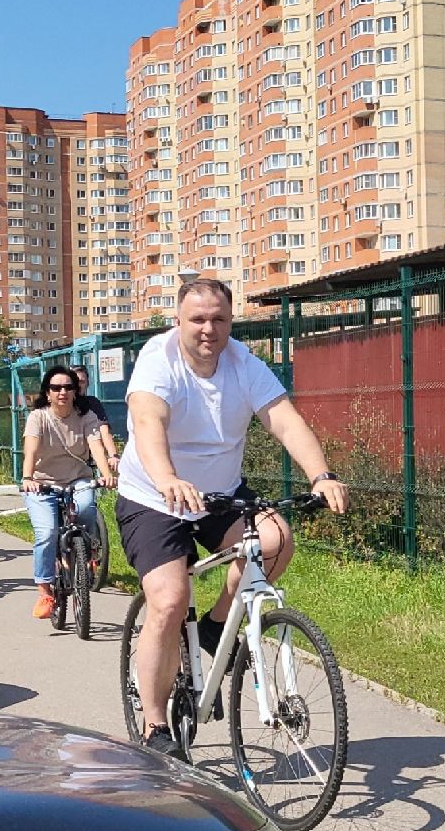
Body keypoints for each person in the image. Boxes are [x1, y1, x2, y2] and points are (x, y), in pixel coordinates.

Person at [116, 277, 349, 759]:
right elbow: (147, 422)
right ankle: (155, 726)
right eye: (198, 319)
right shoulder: (158, 361)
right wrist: (167, 478)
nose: (209, 329)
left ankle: (215, 625)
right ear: (178, 321)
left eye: (219, 319)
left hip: (219, 493)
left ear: (231, 322)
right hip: (154, 496)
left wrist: (321, 474)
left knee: (275, 540)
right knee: (170, 599)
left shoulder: (244, 364)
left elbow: (285, 420)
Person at [20, 366, 114, 619]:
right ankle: (45, 592)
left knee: (86, 509)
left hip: (76, 480)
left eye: (68, 387)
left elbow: (96, 446)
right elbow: (31, 450)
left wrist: (105, 474)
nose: (62, 392)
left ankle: (87, 554)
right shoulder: (38, 417)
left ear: (75, 391)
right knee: (46, 533)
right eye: (56, 388)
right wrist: (27, 478)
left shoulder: (86, 416)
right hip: (42, 483)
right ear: (47, 392)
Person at [71, 364, 121, 474]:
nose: (78, 385)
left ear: (88, 383)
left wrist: (113, 455)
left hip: (86, 463)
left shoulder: (93, 403)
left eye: (82, 382)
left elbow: (104, 429)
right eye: (75, 382)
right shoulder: (63, 405)